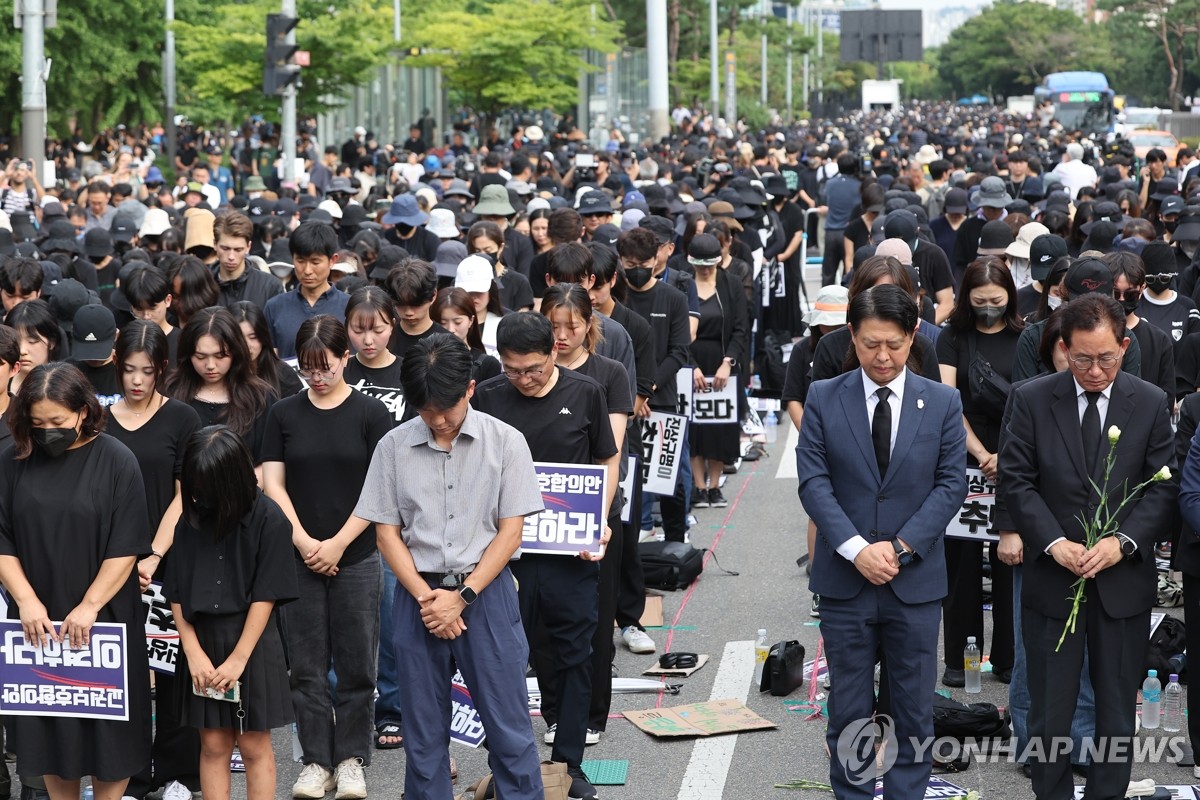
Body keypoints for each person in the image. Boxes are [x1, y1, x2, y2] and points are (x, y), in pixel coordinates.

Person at [353, 333, 547, 800]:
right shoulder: (394, 446)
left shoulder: (506, 443)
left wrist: (460, 599)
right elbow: (386, 534)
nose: (438, 421)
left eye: (447, 409)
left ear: (471, 389)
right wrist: (428, 599)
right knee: (422, 733)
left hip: (487, 595)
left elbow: (511, 533)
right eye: (426, 411)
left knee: (509, 728)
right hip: (417, 598)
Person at [999, 293, 1177, 799]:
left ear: (1124, 347)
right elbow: (1016, 480)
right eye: (1082, 359)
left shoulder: (1148, 401)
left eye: (1106, 358)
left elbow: (1162, 485)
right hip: (1055, 576)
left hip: (1120, 581)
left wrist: (1123, 543)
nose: (1094, 371)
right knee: (1050, 709)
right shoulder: (1032, 398)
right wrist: (1053, 543)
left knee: (1116, 710)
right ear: (1063, 348)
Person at [797, 284, 967, 799]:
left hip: (914, 582)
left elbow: (951, 483)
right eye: (871, 344)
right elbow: (814, 482)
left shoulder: (941, 400)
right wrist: (855, 548)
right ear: (852, 335)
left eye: (894, 343)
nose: (883, 356)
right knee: (848, 711)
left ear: (913, 335)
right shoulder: (825, 396)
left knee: (913, 712)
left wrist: (898, 548)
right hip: (845, 583)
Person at [472, 313, 619, 800]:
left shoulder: (585, 393)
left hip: (567, 552)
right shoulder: (489, 396)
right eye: (513, 370)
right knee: (507, 659)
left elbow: (603, 460)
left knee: (575, 655)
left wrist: (599, 520)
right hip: (502, 556)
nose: (524, 380)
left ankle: (569, 763)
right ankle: (510, 764)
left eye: (533, 369)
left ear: (554, 351)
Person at [0, 362, 153, 800]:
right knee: (50, 735)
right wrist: (25, 599)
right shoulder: (12, 460)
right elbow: (2, 538)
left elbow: (126, 545)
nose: (48, 431)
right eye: (38, 423)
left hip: (106, 617)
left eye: (58, 422)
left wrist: (89, 605)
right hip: (36, 619)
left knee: (112, 738)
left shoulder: (117, 460)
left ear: (83, 411)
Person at [262, 316, 392, 800]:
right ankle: (317, 760)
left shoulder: (372, 413)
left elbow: (382, 488)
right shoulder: (283, 414)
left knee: (359, 664)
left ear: (345, 358)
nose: (317, 377)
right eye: (308, 369)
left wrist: (337, 543)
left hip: (356, 554)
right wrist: (303, 540)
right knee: (307, 667)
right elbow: (271, 483)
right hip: (299, 555)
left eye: (326, 366)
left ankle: (352, 758)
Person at [165, 426, 298, 800]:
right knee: (213, 745)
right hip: (202, 640)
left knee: (255, 745)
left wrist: (239, 659)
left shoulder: (269, 519)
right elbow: (177, 589)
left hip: (253, 641)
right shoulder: (189, 518)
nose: (201, 495)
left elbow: (266, 595)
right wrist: (192, 652)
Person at [108, 321, 203, 800]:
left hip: (168, 563)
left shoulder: (182, 418)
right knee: (122, 673)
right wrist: (123, 559)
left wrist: (154, 554)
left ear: (162, 369)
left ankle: (177, 776)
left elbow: (185, 495)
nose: (137, 380)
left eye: (147, 370)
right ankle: (129, 777)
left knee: (172, 672)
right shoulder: (99, 419)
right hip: (110, 565)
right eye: (129, 370)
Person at [539, 282, 633, 744]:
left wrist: (598, 517)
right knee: (541, 621)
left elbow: (608, 456)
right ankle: (553, 709)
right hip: (537, 516)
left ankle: (592, 713)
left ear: (588, 324)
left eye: (571, 326)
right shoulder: (535, 371)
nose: (561, 335)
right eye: (553, 326)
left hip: (591, 513)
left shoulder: (609, 373)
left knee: (594, 615)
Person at [934, 257, 1022, 687]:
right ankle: (960, 660)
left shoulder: (1025, 337)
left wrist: (1005, 455)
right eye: (980, 300)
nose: (988, 307)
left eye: (996, 300)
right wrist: (983, 453)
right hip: (965, 460)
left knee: (1010, 561)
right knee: (961, 567)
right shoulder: (953, 338)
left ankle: (1007, 657)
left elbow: (1030, 402)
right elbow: (949, 401)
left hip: (1016, 458)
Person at [166, 306, 275, 466]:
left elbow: (270, 461)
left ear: (236, 352)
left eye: (220, 356)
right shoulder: (171, 393)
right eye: (201, 356)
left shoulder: (260, 396)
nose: (210, 365)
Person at [685, 233, 748, 509]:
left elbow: (740, 328)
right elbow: (677, 333)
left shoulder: (731, 284)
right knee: (694, 426)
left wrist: (728, 362)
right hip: (691, 360)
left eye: (710, 264)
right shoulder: (683, 285)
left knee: (721, 426)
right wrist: (690, 366)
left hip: (723, 361)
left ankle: (715, 485)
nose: (706, 269)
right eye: (700, 265)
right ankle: (699, 487)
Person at [264, 222, 350, 360]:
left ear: (332, 260)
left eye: (315, 262)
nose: (307, 270)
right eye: (300, 261)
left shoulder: (349, 307)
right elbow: (270, 362)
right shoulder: (274, 307)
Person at [229, 301, 304, 398]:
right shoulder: (219, 374)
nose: (247, 346)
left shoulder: (283, 374)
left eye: (253, 337)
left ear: (263, 337)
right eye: (239, 338)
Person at [212, 212, 283, 309]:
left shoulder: (270, 287)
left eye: (238, 250)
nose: (231, 256)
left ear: (248, 247)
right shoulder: (200, 284)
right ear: (215, 244)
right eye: (225, 248)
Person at [433, 287, 502, 384]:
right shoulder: (425, 359)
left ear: (471, 320)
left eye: (457, 322)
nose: (450, 329)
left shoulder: (487, 365)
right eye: (442, 323)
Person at [5, 299, 65, 394]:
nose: (22, 351)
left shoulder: (65, 389)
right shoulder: (3, 383)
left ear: (52, 342)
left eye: (32, 341)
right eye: (16, 341)